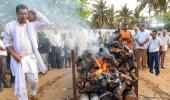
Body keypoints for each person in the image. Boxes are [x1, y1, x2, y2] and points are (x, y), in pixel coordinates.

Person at [3, 4, 50, 100]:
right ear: (16, 14)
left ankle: (33, 93)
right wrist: (14, 55)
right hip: (17, 58)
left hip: (30, 57)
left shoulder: (32, 25)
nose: (24, 16)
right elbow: (7, 43)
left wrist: (36, 11)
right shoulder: (9, 26)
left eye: (26, 13)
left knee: (34, 80)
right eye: (21, 14)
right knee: (21, 82)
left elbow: (46, 22)